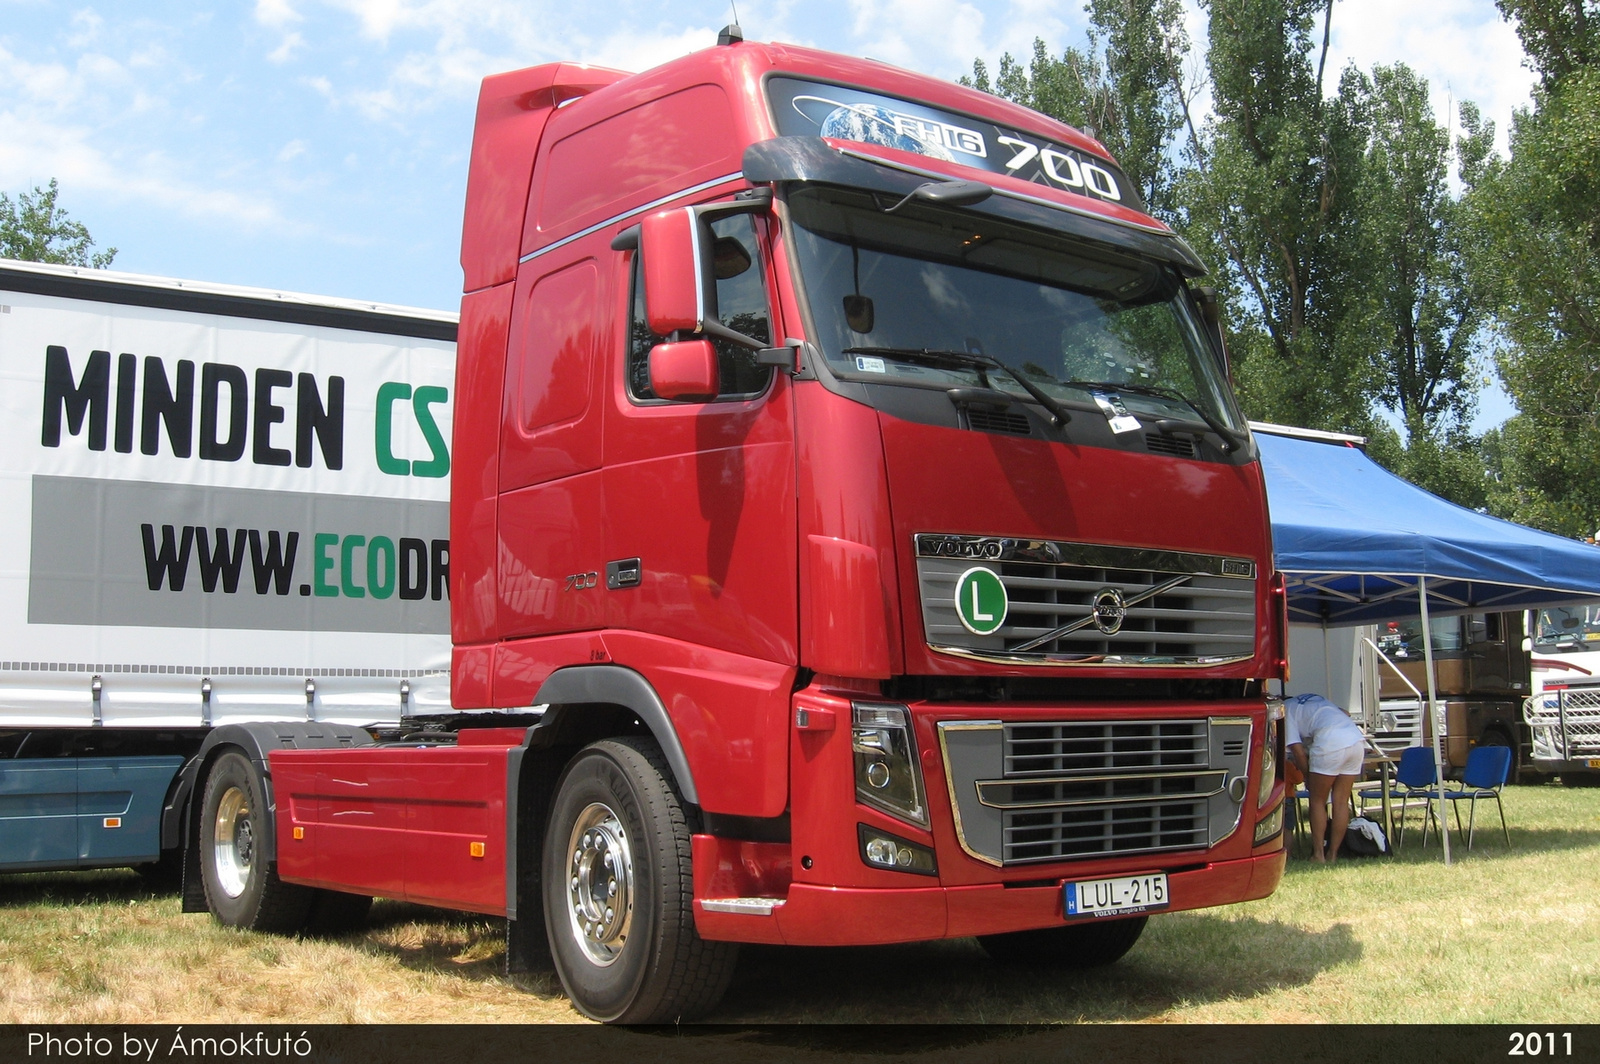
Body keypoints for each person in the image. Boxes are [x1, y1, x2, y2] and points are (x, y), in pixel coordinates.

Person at [1284, 692, 1367, 863]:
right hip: (1356, 741)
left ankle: (1318, 854)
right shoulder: (1314, 700)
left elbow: (1298, 753)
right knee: (1341, 801)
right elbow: (1346, 713)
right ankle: (1333, 854)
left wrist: (1308, 778)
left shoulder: (1285, 711)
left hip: (1330, 742)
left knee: (1317, 800)